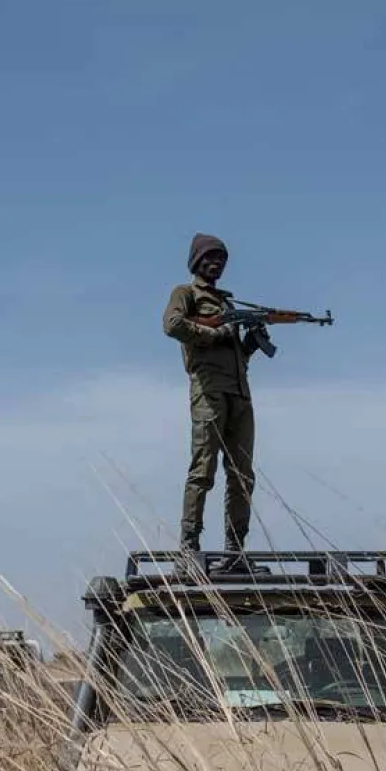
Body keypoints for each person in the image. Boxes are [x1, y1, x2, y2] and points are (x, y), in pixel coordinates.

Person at [162, 232, 270, 573]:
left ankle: (235, 552)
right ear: (196, 261)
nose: (216, 263)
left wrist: (250, 343)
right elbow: (173, 325)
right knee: (202, 470)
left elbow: (236, 356)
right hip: (208, 391)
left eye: (221, 258)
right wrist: (216, 333)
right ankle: (189, 548)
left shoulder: (228, 304)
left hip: (240, 394)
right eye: (209, 258)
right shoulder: (186, 294)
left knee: (242, 476)